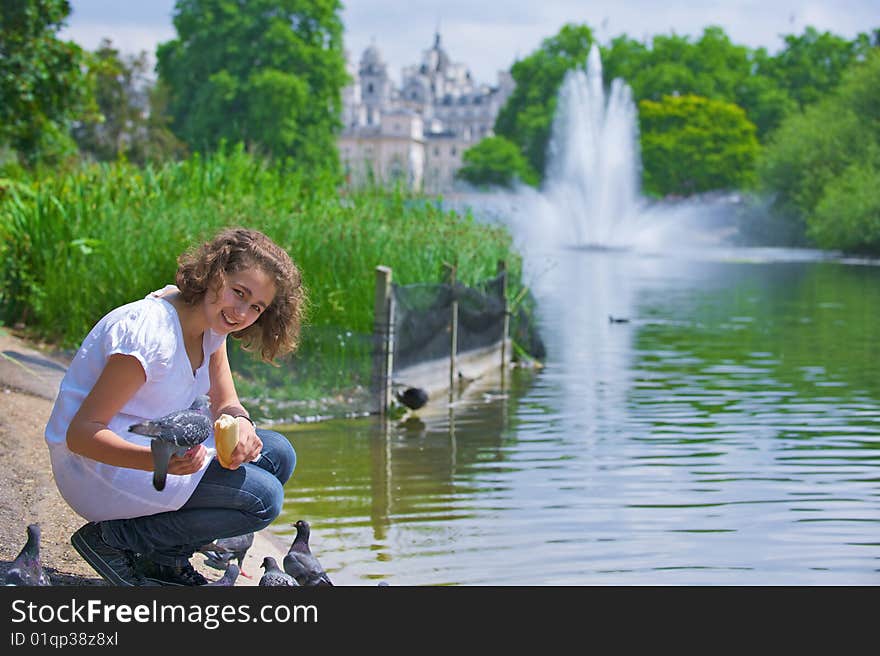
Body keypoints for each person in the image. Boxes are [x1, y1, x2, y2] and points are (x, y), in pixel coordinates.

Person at [44, 227, 306, 586]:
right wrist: (161, 462)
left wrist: (241, 424)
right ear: (215, 273)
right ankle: (113, 541)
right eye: (238, 293)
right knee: (264, 498)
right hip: (93, 470)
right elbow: (81, 435)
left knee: (278, 453)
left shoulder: (212, 325)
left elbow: (226, 401)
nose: (242, 312)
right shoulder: (150, 335)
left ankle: (164, 559)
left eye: (256, 307)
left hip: (151, 446)